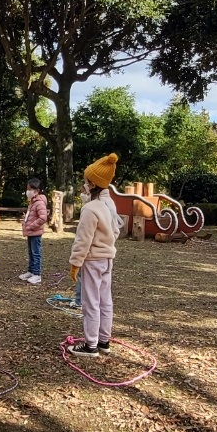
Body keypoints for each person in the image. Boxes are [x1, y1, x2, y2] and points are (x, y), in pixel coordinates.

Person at [67, 153, 120, 360]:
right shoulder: (109, 205)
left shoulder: (91, 209)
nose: (83, 185)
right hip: (107, 259)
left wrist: (75, 263)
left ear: (92, 183)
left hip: (92, 260)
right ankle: (104, 341)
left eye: (85, 181)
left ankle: (90, 345)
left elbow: (83, 240)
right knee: (105, 301)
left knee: (91, 303)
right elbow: (115, 231)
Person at [19, 177, 48, 284]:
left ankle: (37, 273)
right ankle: (31, 271)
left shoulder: (39, 202)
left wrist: (31, 225)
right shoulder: (33, 202)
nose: (27, 192)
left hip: (35, 232)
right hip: (31, 232)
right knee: (31, 252)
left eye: (29, 189)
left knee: (36, 253)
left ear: (36, 190)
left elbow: (43, 218)